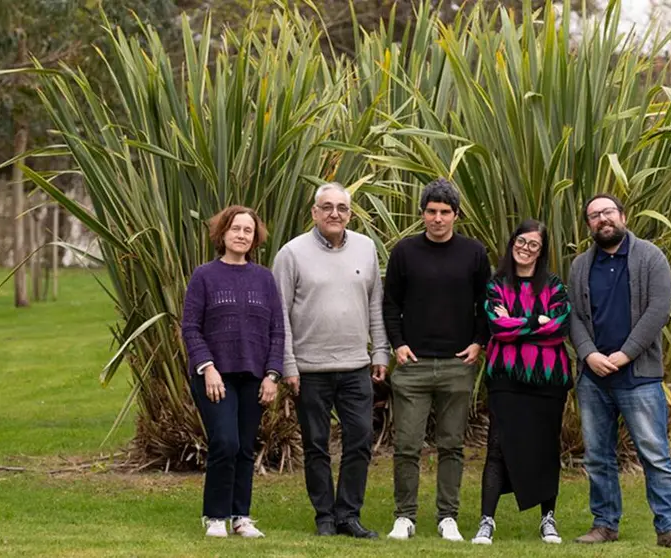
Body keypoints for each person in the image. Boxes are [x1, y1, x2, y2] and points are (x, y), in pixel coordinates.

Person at [568, 194, 671, 548]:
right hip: (593, 378)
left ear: (622, 216)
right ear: (589, 225)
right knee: (598, 457)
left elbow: (658, 310)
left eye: (608, 212)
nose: (602, 219)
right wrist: (589, 354)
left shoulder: (650, 258)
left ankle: (669, 529)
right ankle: (605, 525)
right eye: (594, 215)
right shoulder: (580, 265)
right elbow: (575, 317)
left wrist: (624, 355)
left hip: (637, 376)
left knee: (655, 454)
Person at [271, 182, 389, 539]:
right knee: (316, 446)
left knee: (360, 441)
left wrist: (380, 351)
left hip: (355, 367)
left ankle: (348, 515)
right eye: (327, 207)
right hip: (310, 370)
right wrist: (288, 365)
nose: (335, 213)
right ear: (314, 212)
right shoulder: (290, 254)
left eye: (342, 208)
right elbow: (280, 316)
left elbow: (375, 306)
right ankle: (324, 516)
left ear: (350, 214)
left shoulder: (366, 248)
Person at [382, 177, 491, 542]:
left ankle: (448, 517)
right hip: (412, 364)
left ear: (456, 215)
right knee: (407, 445)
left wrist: (479, 342)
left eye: (445, 212)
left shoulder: (474, 253)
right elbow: (391, 302)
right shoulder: (405, 252)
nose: (438, 219)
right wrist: (397, 343)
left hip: (457, 364)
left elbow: (485, 304)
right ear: (422, 213)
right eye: (431, 211)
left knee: (451, 445)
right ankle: (405, 517)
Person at [182, 205, 290, 539]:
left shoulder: (264, 279)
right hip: (214, 374)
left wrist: (273, 375)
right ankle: (215, 517)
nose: (242, 235)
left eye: (248, 230)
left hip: (254, 375)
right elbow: (190, 328)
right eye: (235, 229)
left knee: (244, 446)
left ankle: (240, 516)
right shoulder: (204, 276)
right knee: (225, 441)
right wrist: (208, 368)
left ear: (255, 237)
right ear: (222, 233)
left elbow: (277, 331)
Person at [469, 219, 572, 546]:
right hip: (506, 379)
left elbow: (560, 326)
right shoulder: (496, 284)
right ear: (512, 242)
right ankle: (487, 520)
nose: (525, 249)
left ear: (541, 252)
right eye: (521, 242)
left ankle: (548, 519)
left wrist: (520, 324)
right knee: (498, 447)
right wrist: (536, 321)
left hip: (548, 381)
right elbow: (498, 329)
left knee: (546, 448)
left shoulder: (554, 285)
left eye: (534, 245)